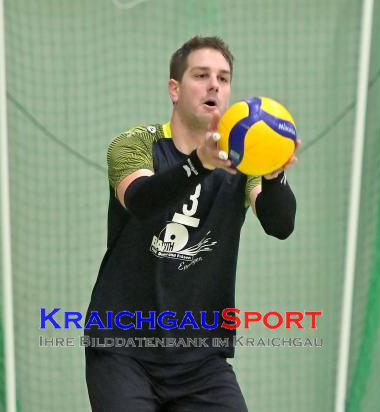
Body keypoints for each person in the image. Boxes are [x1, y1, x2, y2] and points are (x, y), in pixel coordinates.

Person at [84, 36, 299, 411]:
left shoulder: (242, 161)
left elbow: (279, 224)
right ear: (174, 89)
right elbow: (141, 200)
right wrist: (199, 163)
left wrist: (273, 175)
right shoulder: (134, 145)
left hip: (201, 360)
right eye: (201, 75)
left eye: (223, 78)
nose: (214, 84)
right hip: (122, 348)